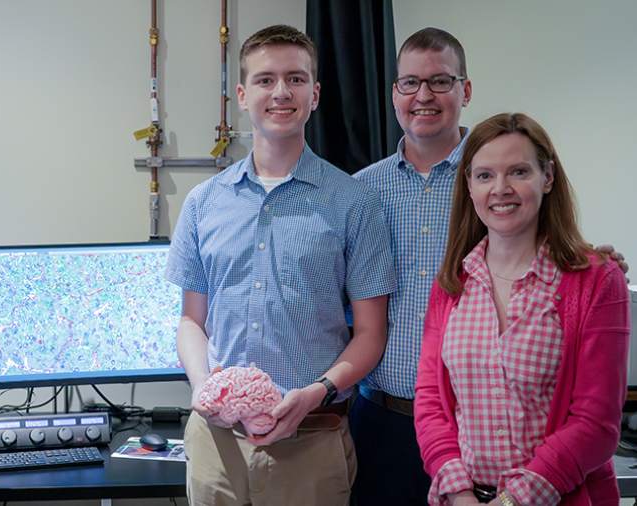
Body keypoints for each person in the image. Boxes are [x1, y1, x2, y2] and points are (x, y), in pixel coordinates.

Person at [166, 25, 395, 506]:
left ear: (315, 95)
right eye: (267, 80)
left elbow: (371, 333)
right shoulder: (204, 202)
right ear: (244, 95)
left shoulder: (353, 202)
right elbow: (192, 320)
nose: (282, 92)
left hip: (312, 440)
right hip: (216, 444)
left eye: (296, 78)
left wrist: (316, 392)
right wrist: (204, 388)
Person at [414, 112, 630, 505]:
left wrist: (512, 501)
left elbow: (596, 424)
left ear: (546, 177)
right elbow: (430, 402)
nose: (501, 189)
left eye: (518, 171)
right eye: (484, 175)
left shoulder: (598, 280)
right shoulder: (451, 285)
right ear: (469, 185)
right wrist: (459, 493)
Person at [351, 27, 472, 505]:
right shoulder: (361, 190)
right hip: (382, 424)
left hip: (475, 425)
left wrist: (590, 260)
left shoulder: (493, 181)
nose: (424, 96)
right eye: (410, 83)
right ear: (394, 92)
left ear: (466, 90)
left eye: (440, 81)